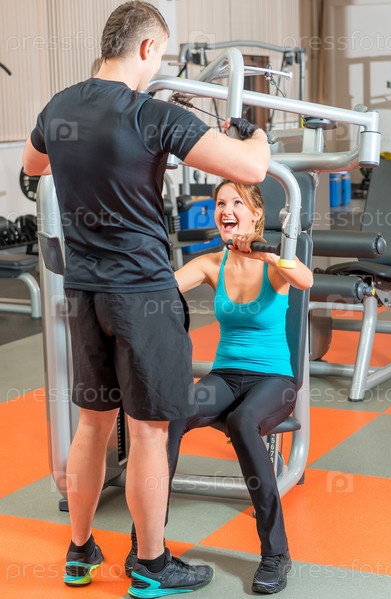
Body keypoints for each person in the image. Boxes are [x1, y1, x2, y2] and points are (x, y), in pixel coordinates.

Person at [22, 2, 270, 597]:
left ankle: (79, 552)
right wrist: (254, 133)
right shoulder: (151, 113)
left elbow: (33, 166)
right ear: (146, 49)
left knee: (92, 426)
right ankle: (151, 565)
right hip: (143, 297)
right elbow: (252, 169)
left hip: (84, 292)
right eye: (161, 54)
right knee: (150, 433)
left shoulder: (58, 107)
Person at [125, 180, 313, 595]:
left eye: (237, 203)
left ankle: (276, 553)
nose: (227, 210)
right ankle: (146, 546)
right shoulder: (213, 264)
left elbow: (305, 280)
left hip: (275, 380)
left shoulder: (275, 264)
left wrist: (266, 251)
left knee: (244, 422)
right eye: (220, 203)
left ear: (255, 214)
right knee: (170, 416)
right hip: (225, 376)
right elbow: (163, 286)